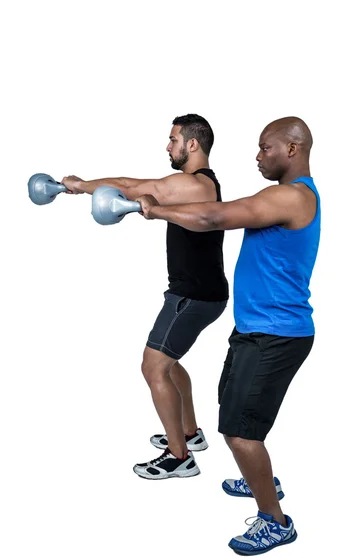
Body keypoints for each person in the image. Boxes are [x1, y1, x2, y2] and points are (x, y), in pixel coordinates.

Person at [136, 116, 320, 556]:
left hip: (276, 334)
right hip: (256, 327)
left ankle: (274, 520)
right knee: (236, 415)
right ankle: (260, 476)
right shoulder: (284, 195)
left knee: (240, 433)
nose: (258, 156)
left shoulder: (291, 197)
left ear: (292, 150)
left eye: (265, 148)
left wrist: (156, 209)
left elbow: (215, 216)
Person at [61, 114, 230, 480]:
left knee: (152, 367)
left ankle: (179, 456)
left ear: (192, 144)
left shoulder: (196, 185)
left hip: (192, 297)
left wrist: (80, 184)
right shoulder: (198, 183)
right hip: (197, 293)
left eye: (173, 140)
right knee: (170, 362)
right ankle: (189, 433)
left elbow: (129, 185)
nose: (168, 147)